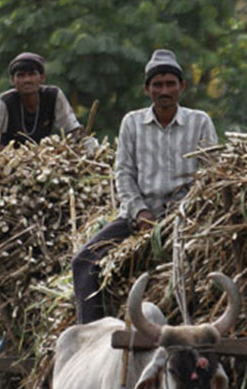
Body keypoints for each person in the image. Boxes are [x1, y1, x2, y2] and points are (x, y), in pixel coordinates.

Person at [71, 49, 218, 324]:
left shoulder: (199, 121)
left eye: (170, 84)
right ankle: (92, 334)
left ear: (181, 87)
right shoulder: (132, 123)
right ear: (147, 89)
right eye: (158, 85)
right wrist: (140, 213)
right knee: (84, 262)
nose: (164, 90)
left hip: (186, 219)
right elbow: (124, 173)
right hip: (138, 218)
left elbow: (211, 175)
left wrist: (182, 212)